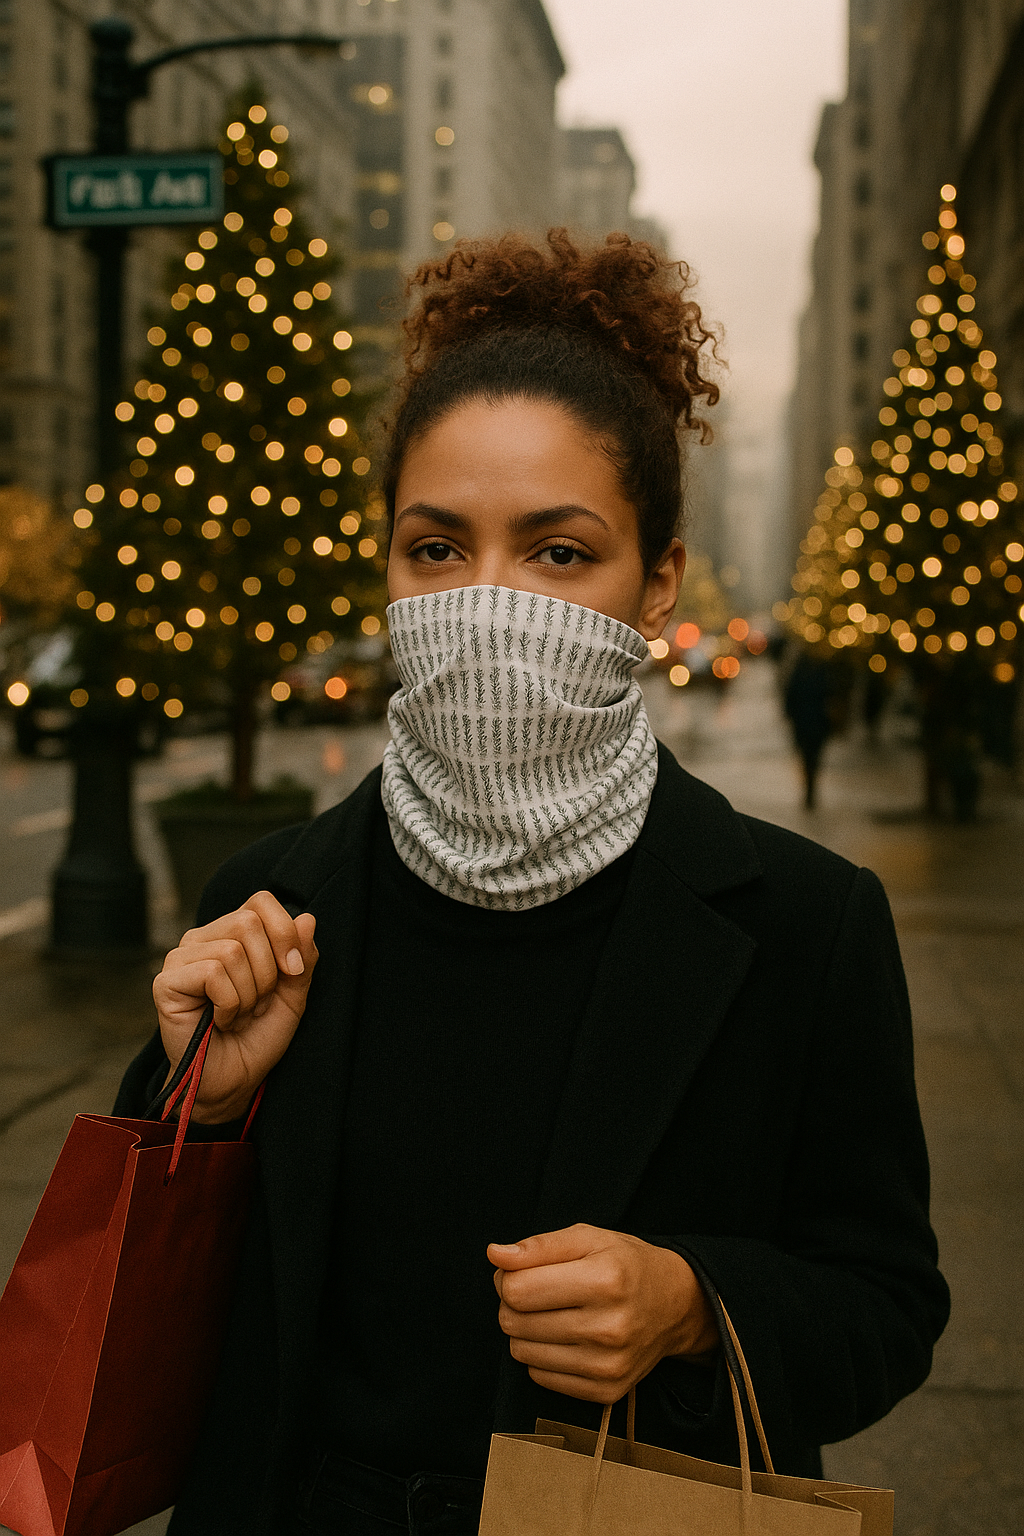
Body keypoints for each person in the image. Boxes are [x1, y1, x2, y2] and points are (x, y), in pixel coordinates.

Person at [115, 231, 949, 1536]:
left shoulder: (805, 924)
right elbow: (136, 1319)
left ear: (657, 584)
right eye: (437, 550)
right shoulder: (269, 897)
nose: (488, 603)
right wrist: (198, 1111)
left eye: (558, 553)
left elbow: (886, 1306)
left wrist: (694, 1306)